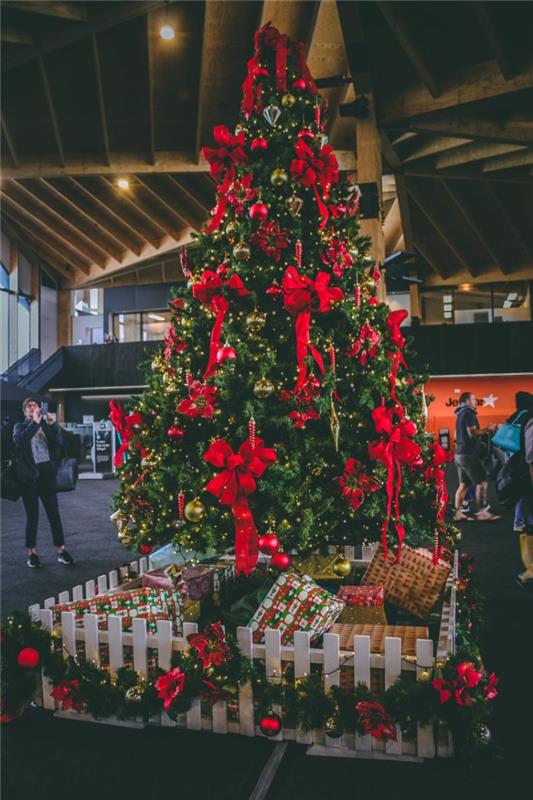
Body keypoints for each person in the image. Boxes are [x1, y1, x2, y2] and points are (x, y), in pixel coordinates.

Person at [13, 398, 75, 568]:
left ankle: (62, 550)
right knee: (33, 516)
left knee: (54, 514)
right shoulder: (19, 427)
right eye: (28, 406)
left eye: (35, 405)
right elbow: (21, 441)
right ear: (25, 411)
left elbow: (60, 444)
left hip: (47, 476)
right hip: (29, 478)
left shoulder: (46, 426)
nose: (32, 408)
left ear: (40, 408)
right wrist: (34, 423)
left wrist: (53, 425)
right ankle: (32, 553)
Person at [454, 391, 500, 522]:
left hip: (459, 453)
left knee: (464, 485)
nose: (476, 401)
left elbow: (457, 436)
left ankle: (458, 514)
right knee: (482, 482)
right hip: (468, 454)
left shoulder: (460, 414)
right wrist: (488, 429)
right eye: (474, 399)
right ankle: (482, 512)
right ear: (467, 400)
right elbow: (472, 433)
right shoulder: (468, 413)